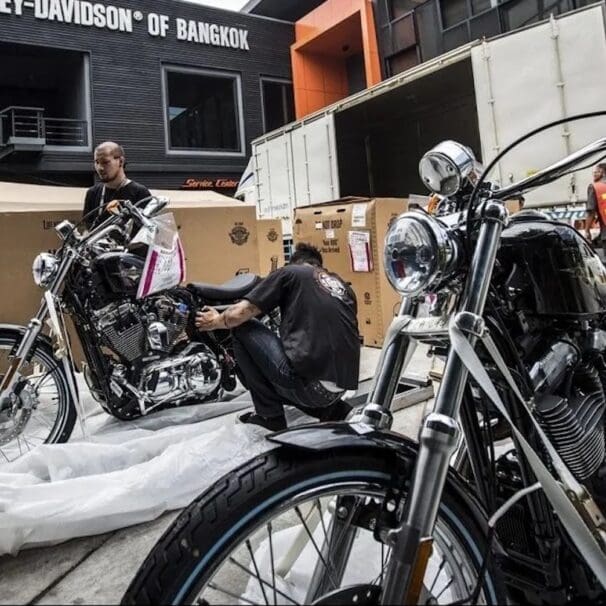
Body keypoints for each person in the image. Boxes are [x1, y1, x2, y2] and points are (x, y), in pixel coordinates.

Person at [195, 243, 360, 431]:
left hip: (309, 388)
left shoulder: (290, 273)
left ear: (296, 263)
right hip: (338, 391)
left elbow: (237, 315)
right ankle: (333, 411)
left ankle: (269, 416)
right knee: (293, 359)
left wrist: (216, 320)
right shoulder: (343, 288)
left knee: (242, 328)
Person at [83, 141, 151, 230]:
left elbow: (147, 231)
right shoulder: (92, 193)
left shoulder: (140, 193)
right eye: (97, 162)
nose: (100, 168)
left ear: (121, 161)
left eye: (105, 162)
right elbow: (89, 229)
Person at [585, 163, 606, 256]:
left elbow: (591, 212)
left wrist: (587, 230)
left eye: (595, 171)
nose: (593, 174)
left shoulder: (595, 187)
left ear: (601, 172)